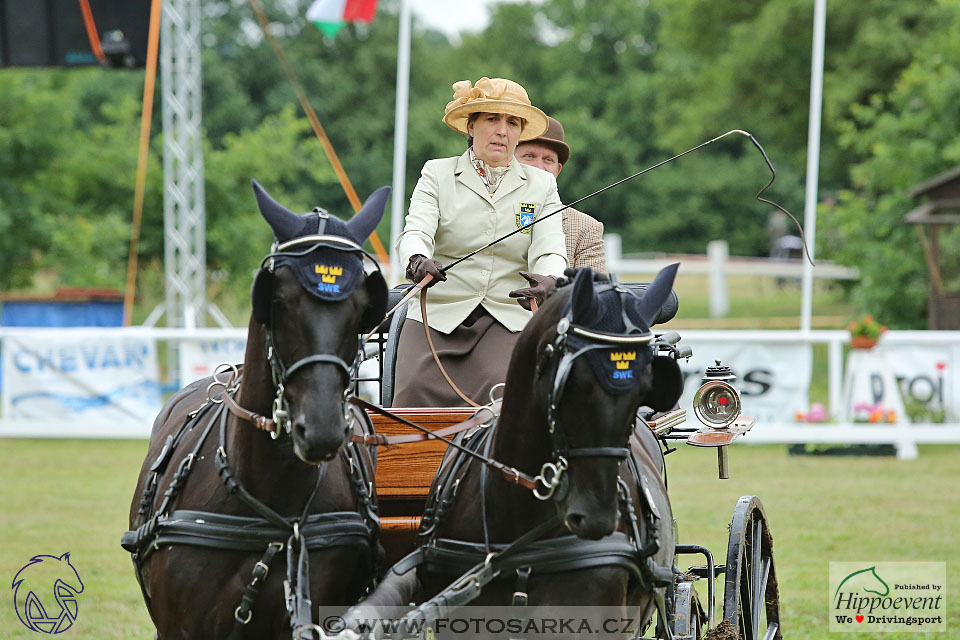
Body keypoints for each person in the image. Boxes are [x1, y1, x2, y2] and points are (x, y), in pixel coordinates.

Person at [393, 77, 568, 407]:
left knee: (505, 394)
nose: (502, 131)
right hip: (438, 314)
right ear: (471, 126)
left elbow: (550, 248)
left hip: (507, 316)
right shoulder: (436, 173)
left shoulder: (542, 184)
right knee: (412, 390)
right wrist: (417, 259)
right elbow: (415, 231)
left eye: (512, 122)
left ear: (520, 132)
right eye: (492, 119)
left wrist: (549, 278)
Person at [515, 116, 607, 273]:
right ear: (510, 162)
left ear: (557, 171)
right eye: (529, 156)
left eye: (548, 160)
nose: (539, 167)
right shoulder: (484, 209)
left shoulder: (586, 229)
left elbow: (593, 292)